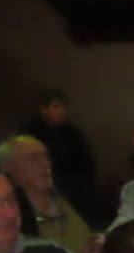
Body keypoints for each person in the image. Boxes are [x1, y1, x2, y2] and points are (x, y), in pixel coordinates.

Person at [0, 134, 95, 253]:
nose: (45, 164)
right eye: (33, 159)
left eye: (46, 157)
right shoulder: (8, 218)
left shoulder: (71, 198)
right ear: (8, 168)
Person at [21, 90, 99, 224]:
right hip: (44, 186)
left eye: (64, 107)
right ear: (44, 109)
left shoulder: (72, 133)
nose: (62, 111)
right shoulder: (29, 133)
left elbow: (86, 163)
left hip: (73, 187)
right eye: (56, 106)